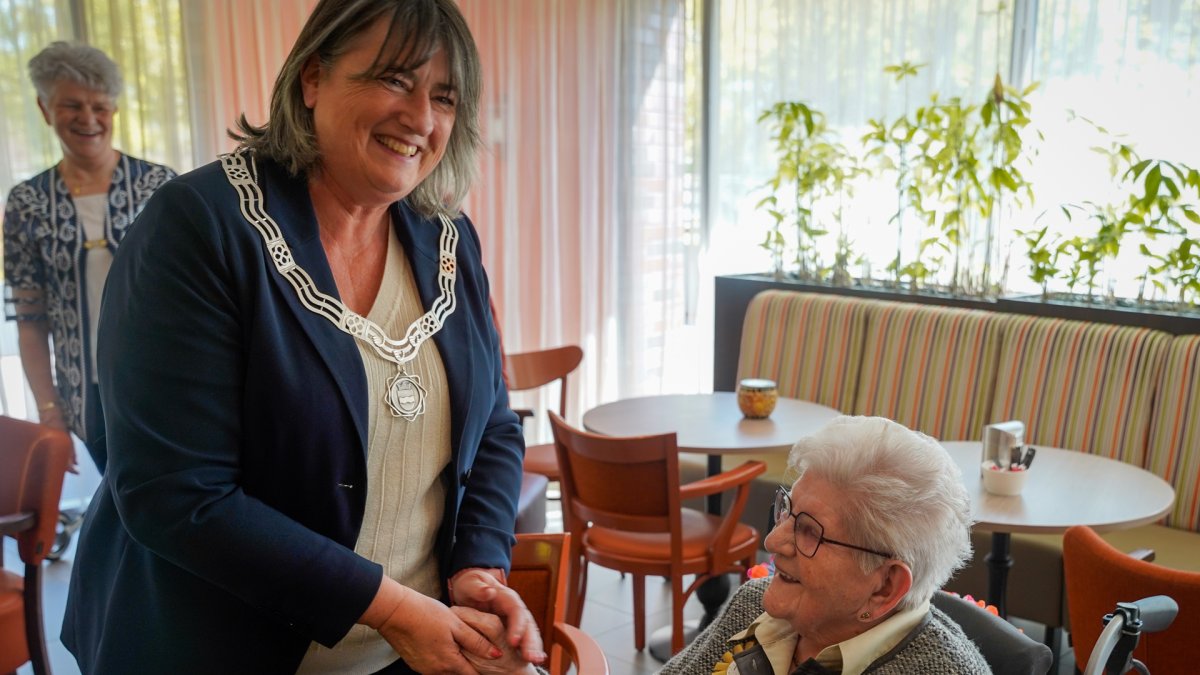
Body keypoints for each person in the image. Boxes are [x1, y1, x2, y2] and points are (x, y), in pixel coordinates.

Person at [61, 1, 543, 673]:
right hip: (211, 648)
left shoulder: (449, 238)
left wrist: (480, 566)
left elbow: (492, 426)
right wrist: (392, 606)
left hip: (408, 653)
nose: (422, 118)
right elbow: (175, 492)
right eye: (396, 79)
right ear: (312, 78)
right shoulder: (198, 229)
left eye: (444, 96)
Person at [658, 415, 990, 675]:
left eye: (810, 532)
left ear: (885, 586)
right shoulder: (754, 603)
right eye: (787, 509)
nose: (773, 541)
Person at [3, 41, 176, 474]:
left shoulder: (160, 186)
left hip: (165, 378)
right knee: (119, 503)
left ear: (114, 110)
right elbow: (30, 321)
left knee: (171, 505)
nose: (88, 119)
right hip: (86, 394)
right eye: (71, 106)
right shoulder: (27, 202)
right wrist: (50, 413)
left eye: (100, 106)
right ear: (45, 109)